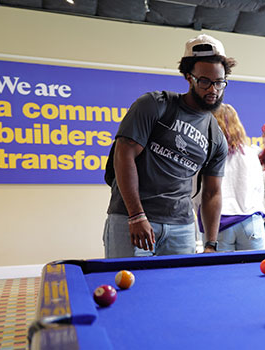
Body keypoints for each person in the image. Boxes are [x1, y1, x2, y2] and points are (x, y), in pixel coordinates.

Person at [104, 34, 232, 258]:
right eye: (204, 81)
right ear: (188, 77)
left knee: (178, 290)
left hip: (181, 227)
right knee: (130, 290)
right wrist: (136, 215)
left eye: (219, 82)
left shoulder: (216, 137)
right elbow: (123, 156)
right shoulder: (154, 105)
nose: (213, 89)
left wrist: (211, 242)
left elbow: (212, 193)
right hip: (132, 219)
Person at [195, 103, 265, 251]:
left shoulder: (204, 154)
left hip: (217, 223)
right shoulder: (250, 153)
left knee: (220, 273)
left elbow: (198, 193)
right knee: (253, 272)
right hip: (251, 221)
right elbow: (259, 189)